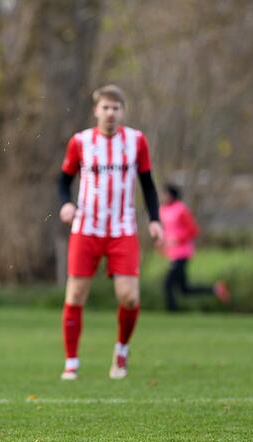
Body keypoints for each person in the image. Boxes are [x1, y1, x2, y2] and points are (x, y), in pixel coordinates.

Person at [57, 85, 164, 380]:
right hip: (86, 227)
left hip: (122, 228)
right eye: (105, 107)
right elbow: (63, 181)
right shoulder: (80, 142)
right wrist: (66, 204)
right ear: (96, 110)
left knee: (128, 297)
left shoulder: (136, 141)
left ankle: (121, 350)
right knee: (76, 294)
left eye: (116, 108)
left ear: (122, 111)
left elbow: (148, 184)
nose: (110, 113)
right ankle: (72, 362)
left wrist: (155, 219)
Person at [159, 183, 230, 311]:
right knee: (184, 289)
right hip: (172, 253)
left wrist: (177, 240)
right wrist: (162, 243)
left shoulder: (181, 209)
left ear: (171, 195)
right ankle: (216, 289)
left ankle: (172, 313)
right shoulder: (162, 210)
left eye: (165, 193)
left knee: (167, 284)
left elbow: (193, 230)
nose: (162, 196)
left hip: (182, 253)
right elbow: (167, 231)